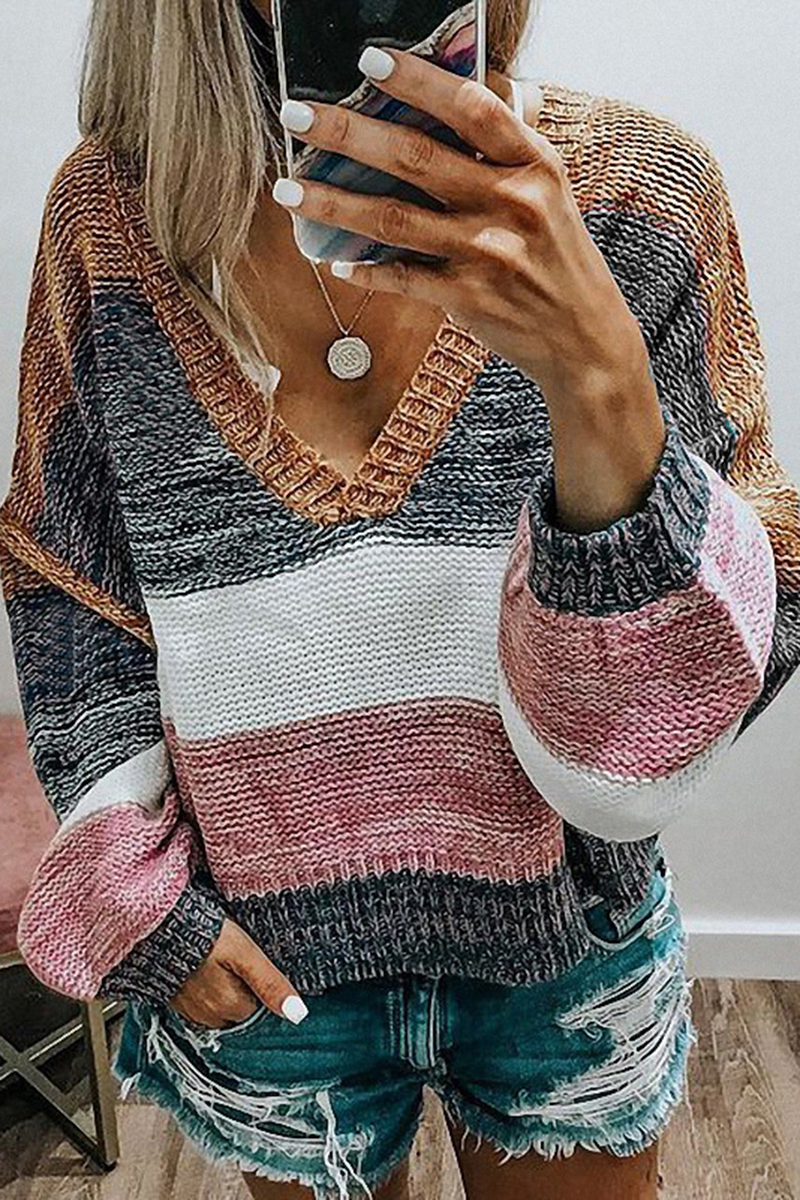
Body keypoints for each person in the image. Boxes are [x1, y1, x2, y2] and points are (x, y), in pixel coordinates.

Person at [1, 2, 798, 1198]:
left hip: (564, 945)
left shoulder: (637, 199)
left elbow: (740, 622)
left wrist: (599, 381)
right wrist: (135, 884)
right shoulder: (114, 221)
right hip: (263, 958)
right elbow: (68, 577)